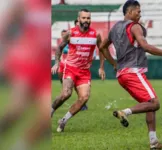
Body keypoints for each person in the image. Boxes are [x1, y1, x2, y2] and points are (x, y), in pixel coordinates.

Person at [99, 0, 162, 149]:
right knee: (155, 103)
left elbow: (103, 46)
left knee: (149, 105)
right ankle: (125, 112)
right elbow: (145, 46)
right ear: (129, 12)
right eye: (138, 11)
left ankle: (154, 142)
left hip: (123, 75)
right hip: (133, 72)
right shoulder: (135, 26)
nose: (140, 14)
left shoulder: (115, 28)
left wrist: (114, 64)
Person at [0, 0, 50, 149]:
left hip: (45, 67)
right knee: (17, 109)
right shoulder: (25, 3)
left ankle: (21, 146)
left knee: (47, 114)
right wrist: (5, 53)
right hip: (26, 62)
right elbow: (4, 28)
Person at [51, 9, 106, 132]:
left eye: (88, 18)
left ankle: (63, 121)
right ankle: (50, 111)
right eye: (84, 18)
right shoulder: (70, 33)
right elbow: (59, 48)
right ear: (79, 19)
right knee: (66, 94)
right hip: (70, 68)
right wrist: (56, 63)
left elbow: (102, 50)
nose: (86, 20)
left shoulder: (95, 35)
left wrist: (101, 67)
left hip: (84, 72)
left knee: (84, 98)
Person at [55, 20, 88, 111]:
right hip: (62, 64)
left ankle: (82, 102)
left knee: (75, 84)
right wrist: (57, 63)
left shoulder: (73, 40)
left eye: (64, 34)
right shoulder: (63, 43)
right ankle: (63, 97)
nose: (63, 35)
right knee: (64, 83)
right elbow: (59, 51)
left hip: (71, 65)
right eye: (62, 34)